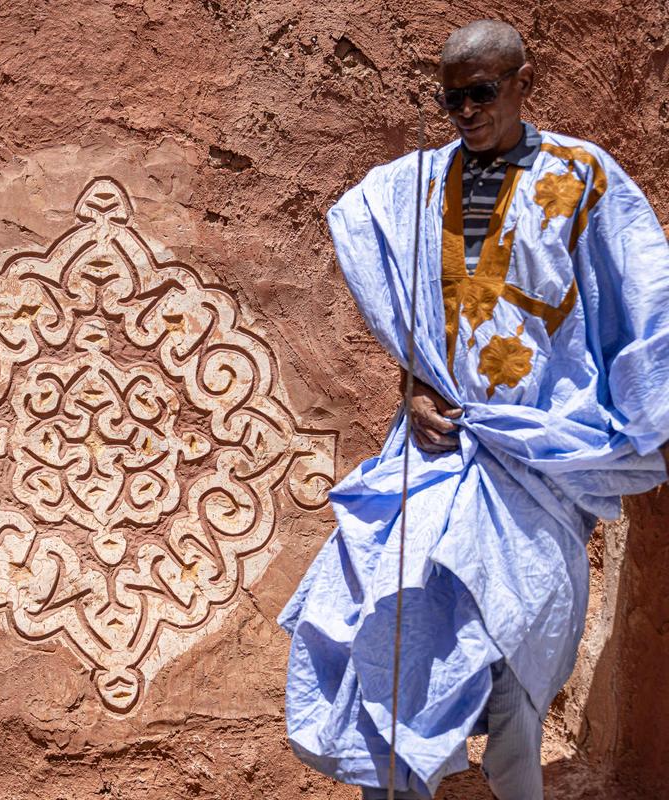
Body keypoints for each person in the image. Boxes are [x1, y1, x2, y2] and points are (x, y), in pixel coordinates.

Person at [277, 19, 669, 800]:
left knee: (520, 645)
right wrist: (413, 384)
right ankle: (388, 785)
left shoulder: (582, 177)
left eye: (482, 94)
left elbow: (643, 296)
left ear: (526, 80)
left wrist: (640, 416)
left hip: (537, 458)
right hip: (432, 452)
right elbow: (392, 286)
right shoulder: (416, 186)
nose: (466, 113)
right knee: (387, 616)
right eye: (452, 99)